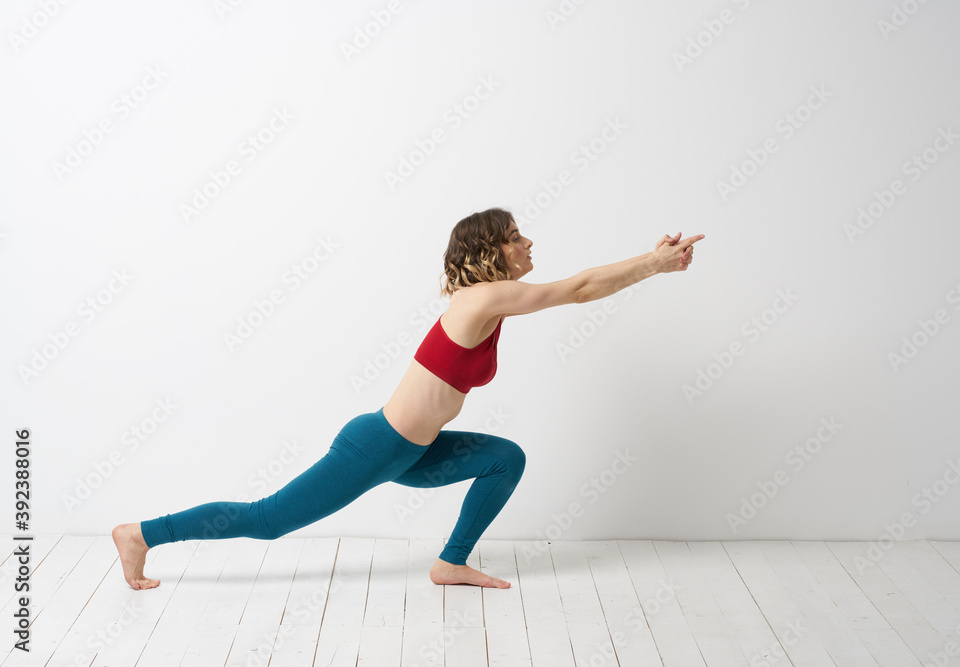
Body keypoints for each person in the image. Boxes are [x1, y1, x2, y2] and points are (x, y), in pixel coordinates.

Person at [113, 207, 703, 591]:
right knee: (268, 522)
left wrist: (652, 266)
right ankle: (141, 533)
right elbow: (576, 290)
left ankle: (450, 563)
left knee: (506, 457)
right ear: (494, 250)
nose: (528, 242)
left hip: (413, 453)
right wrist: (653, 262)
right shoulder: (484, 299)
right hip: (378, 447)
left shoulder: (493, 300)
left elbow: (575, 288)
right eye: (517, 236)